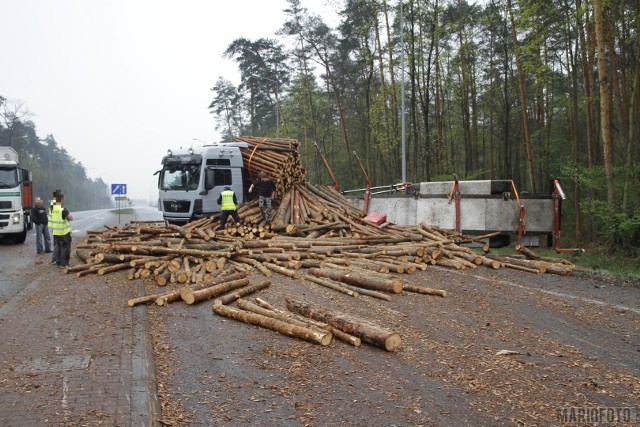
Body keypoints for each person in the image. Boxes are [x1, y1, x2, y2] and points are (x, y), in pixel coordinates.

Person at [48, 190, 74, 267]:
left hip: (55, 231)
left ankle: (57, 262)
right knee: (65, 248)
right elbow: (70, 218)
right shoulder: (62, 210)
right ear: (61, 200)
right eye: (63, 199)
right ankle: (64, 263)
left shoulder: (52, 209)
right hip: (64, 232)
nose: (63, 201)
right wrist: (68, 214)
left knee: (58, 247)